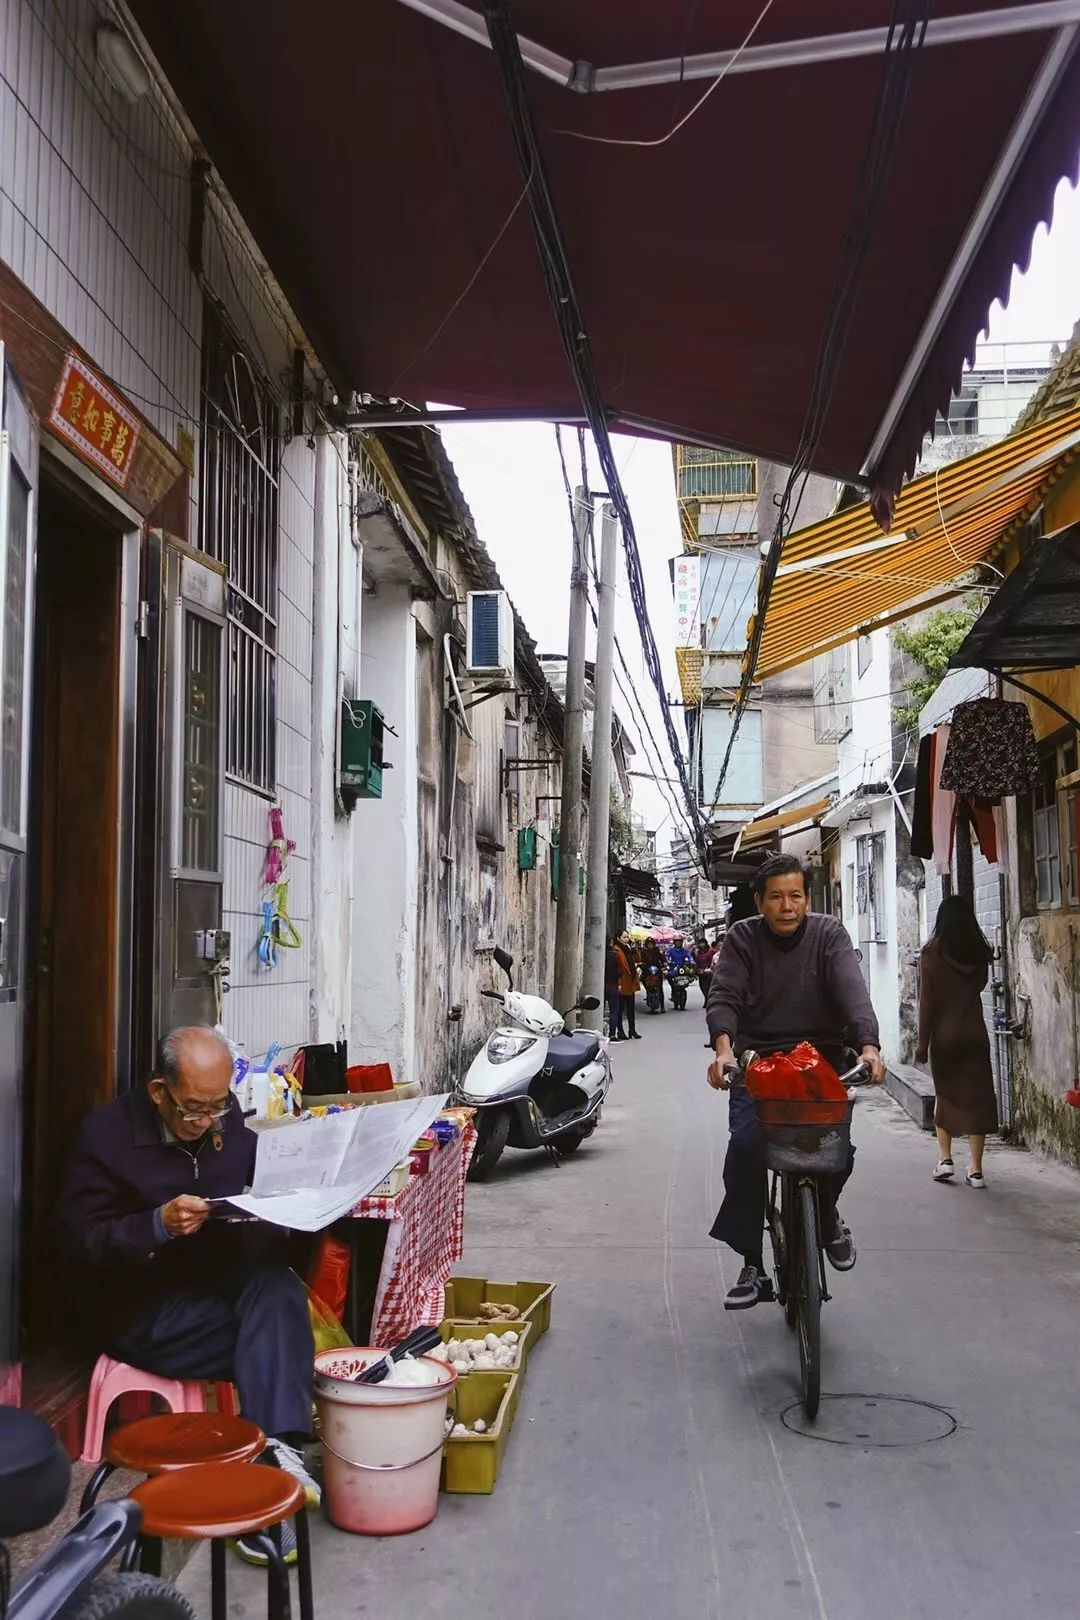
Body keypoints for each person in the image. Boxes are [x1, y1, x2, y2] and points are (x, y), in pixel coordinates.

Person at [60, 1027, 319, 1558]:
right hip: (143, 1307)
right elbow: (77, 1241)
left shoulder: (225, 1125)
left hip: (218, 1283)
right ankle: (268, 1476)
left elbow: (257, 1187)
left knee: (278, 1292)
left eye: (219, 1107)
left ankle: (273, 1452)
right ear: (160, 1091)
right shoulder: (106, 1136)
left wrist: (291, 1208)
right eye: (194, 1110)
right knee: (277, 1341)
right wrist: (156, 1225)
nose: (206, 1122)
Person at [705, 854, 885, 1310]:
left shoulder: (828, 935)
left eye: (796, 896)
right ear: (760, 902)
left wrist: (868, 1045)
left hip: (820, 1061)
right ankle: (752, 1264)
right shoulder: (743, 939)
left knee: (834, 1148)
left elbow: (852, 990)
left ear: (807, 898)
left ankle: (825, 1218)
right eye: (777, 898)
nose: (788, 907)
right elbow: (724, 994)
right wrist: (723, 1050)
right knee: (746, 1149)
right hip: (758, 1064)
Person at [915, 896, 998, 1189]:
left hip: (945, 1036)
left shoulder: (931, 954)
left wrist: (922, 1044)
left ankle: (946, 1160)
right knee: (978, 1098)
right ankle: (975, 1171)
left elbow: (927, 1003)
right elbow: (979, 986)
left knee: (946, 1095)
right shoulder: (979, 952)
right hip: (975, 1033)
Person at [616, 931, 642, 1040]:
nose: (626, 939)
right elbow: (617, 968)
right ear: (619, 938)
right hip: (622, 983)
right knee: (620, 1009)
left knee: (631, 1009)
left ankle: (632, 1030)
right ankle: (620, 1031)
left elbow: (638, 959)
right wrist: (618, 983)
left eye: (627, 937)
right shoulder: (617, 950)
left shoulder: (629, 949)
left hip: (630, 983)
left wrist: (634, 948)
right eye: (624, 937)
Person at [642, 940, 666, 1013]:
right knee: (643, 981)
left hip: (657, 972)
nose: (650, 945)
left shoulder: (657, 951)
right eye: (649, 944)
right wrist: (641, 964)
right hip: (647, 972)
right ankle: (648, 994)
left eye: (651, 944)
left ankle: (662, 1006)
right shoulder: (643, 952)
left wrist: (664, 963)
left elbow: (662, 959)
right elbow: (640, 960)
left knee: (660, 989)